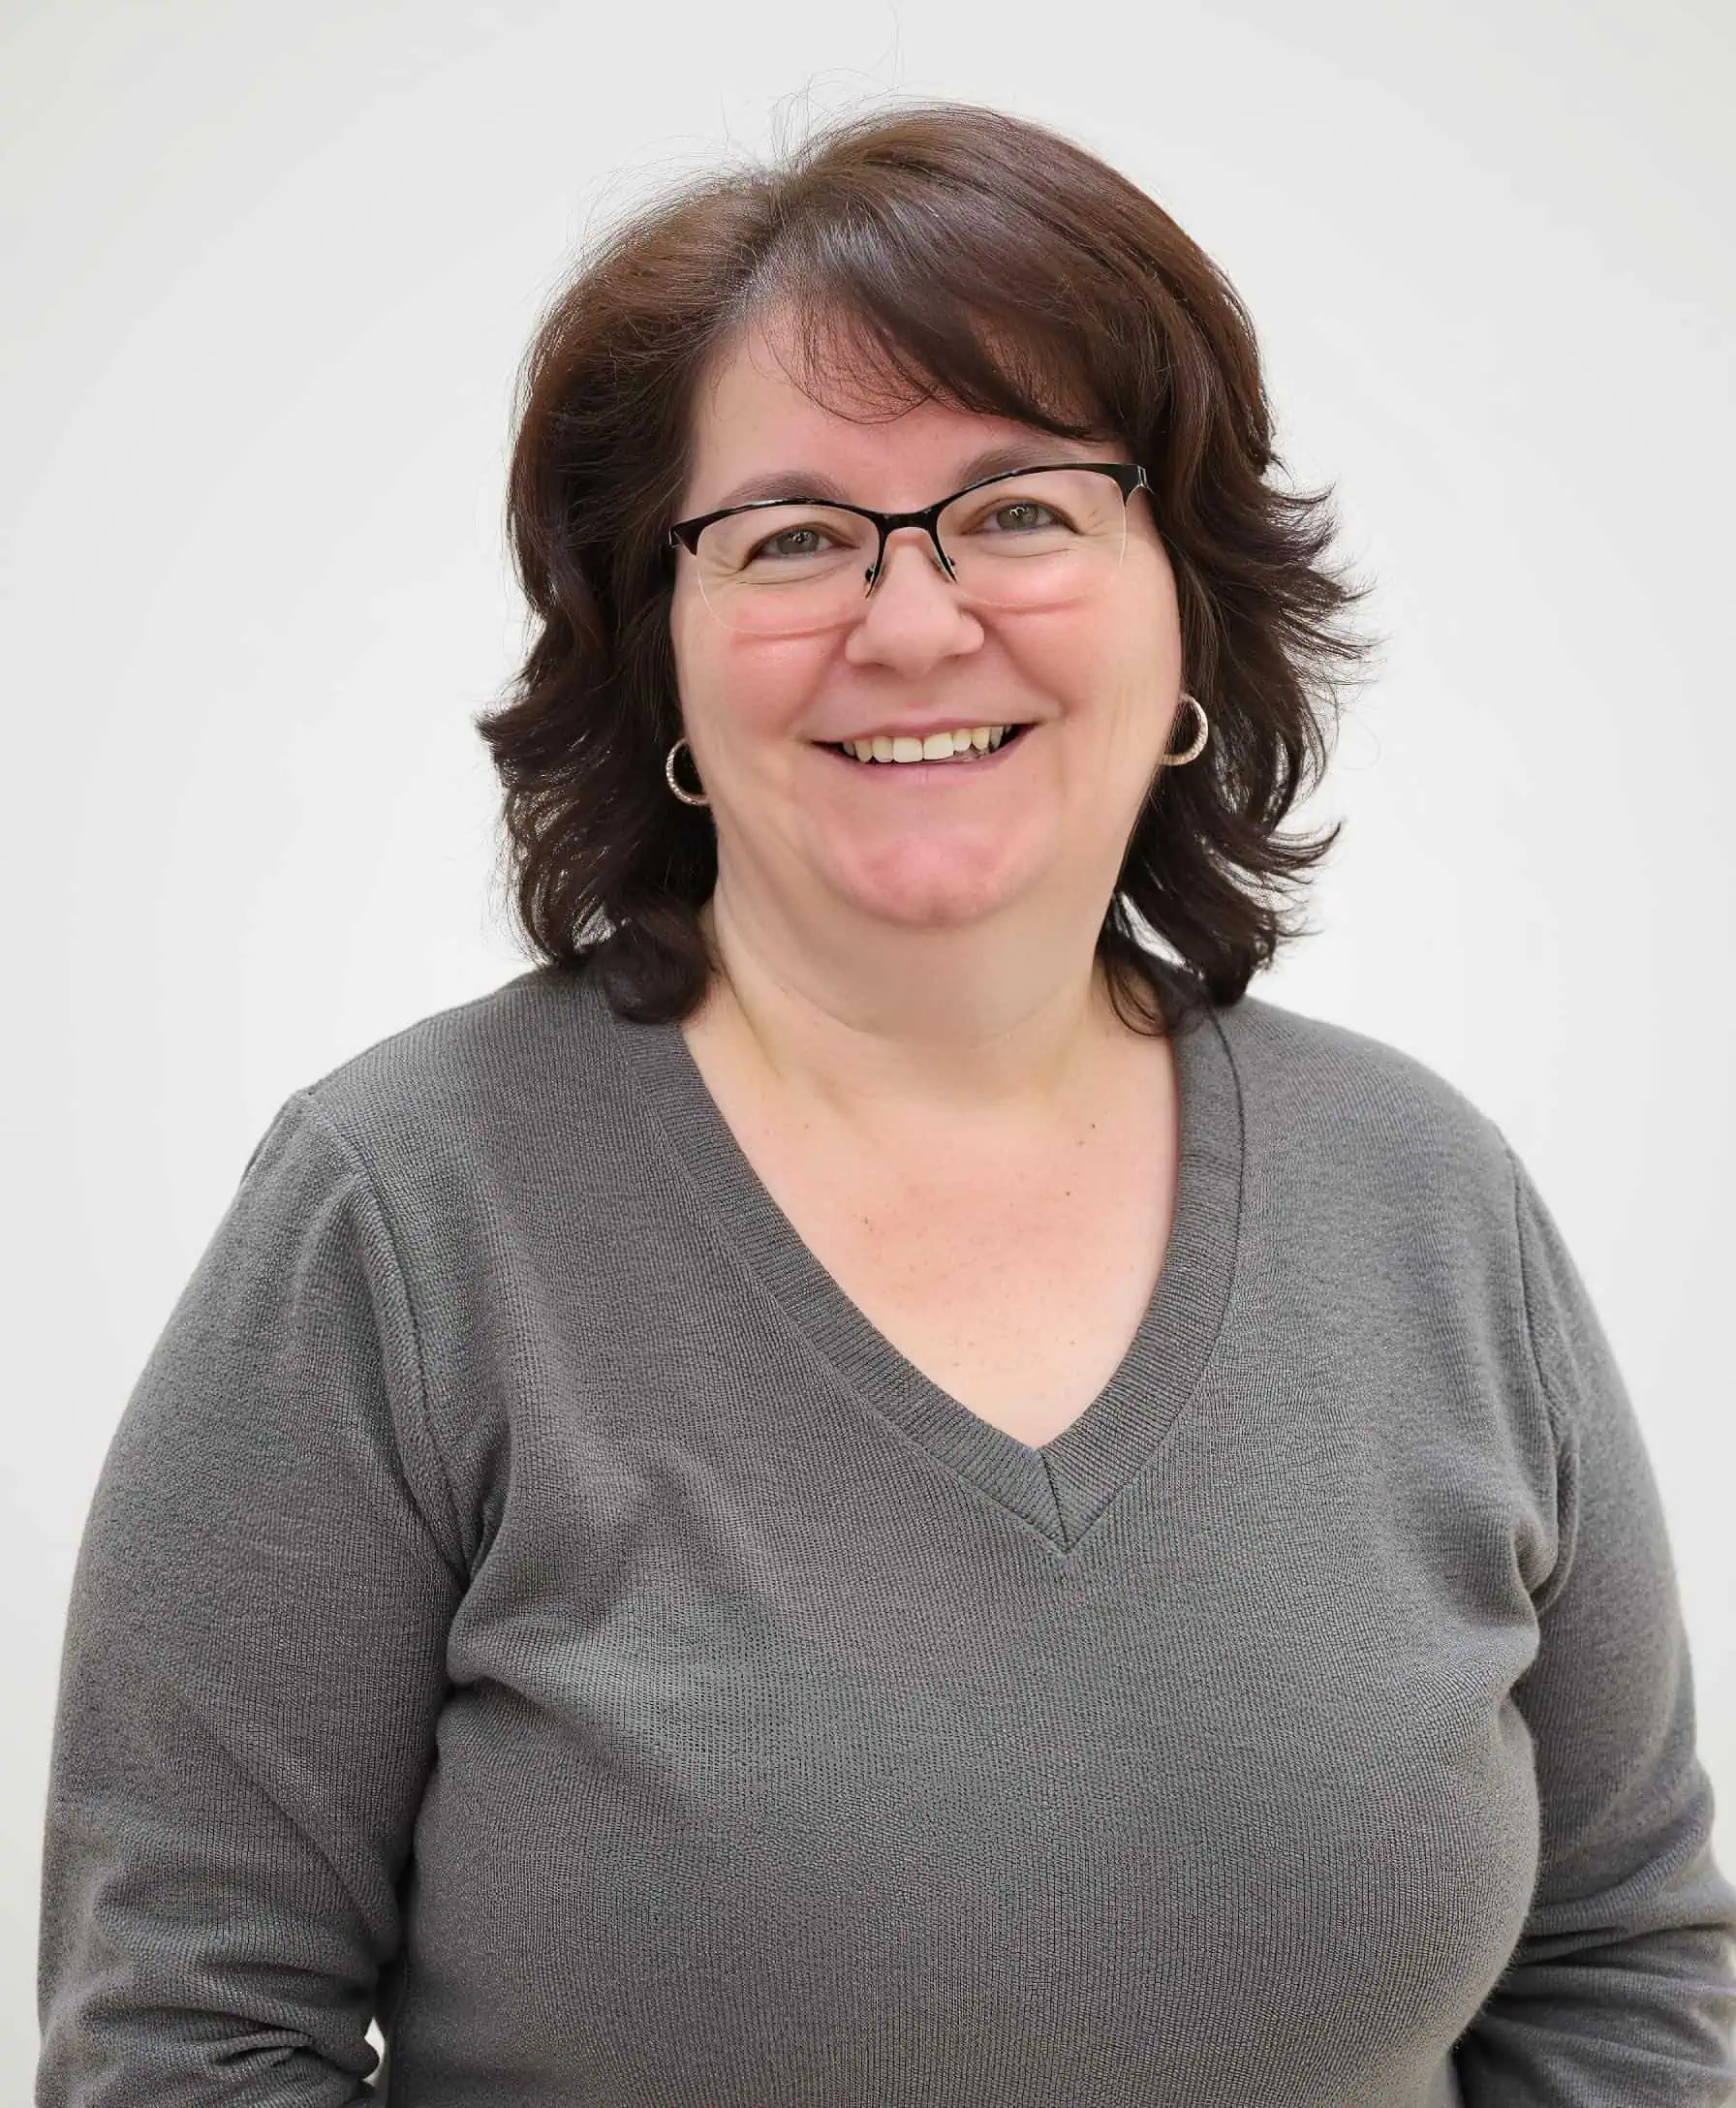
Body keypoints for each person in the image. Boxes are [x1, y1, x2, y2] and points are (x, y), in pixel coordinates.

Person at [35, 97, 1736, 2108]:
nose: (913, 623)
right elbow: (185, 2040)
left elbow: (1622, 1971)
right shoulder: (396, 1223)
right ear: (657, 652)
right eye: (792, 539)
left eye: (1020, 510)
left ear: (1182, 599)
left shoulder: (1428, 1202)